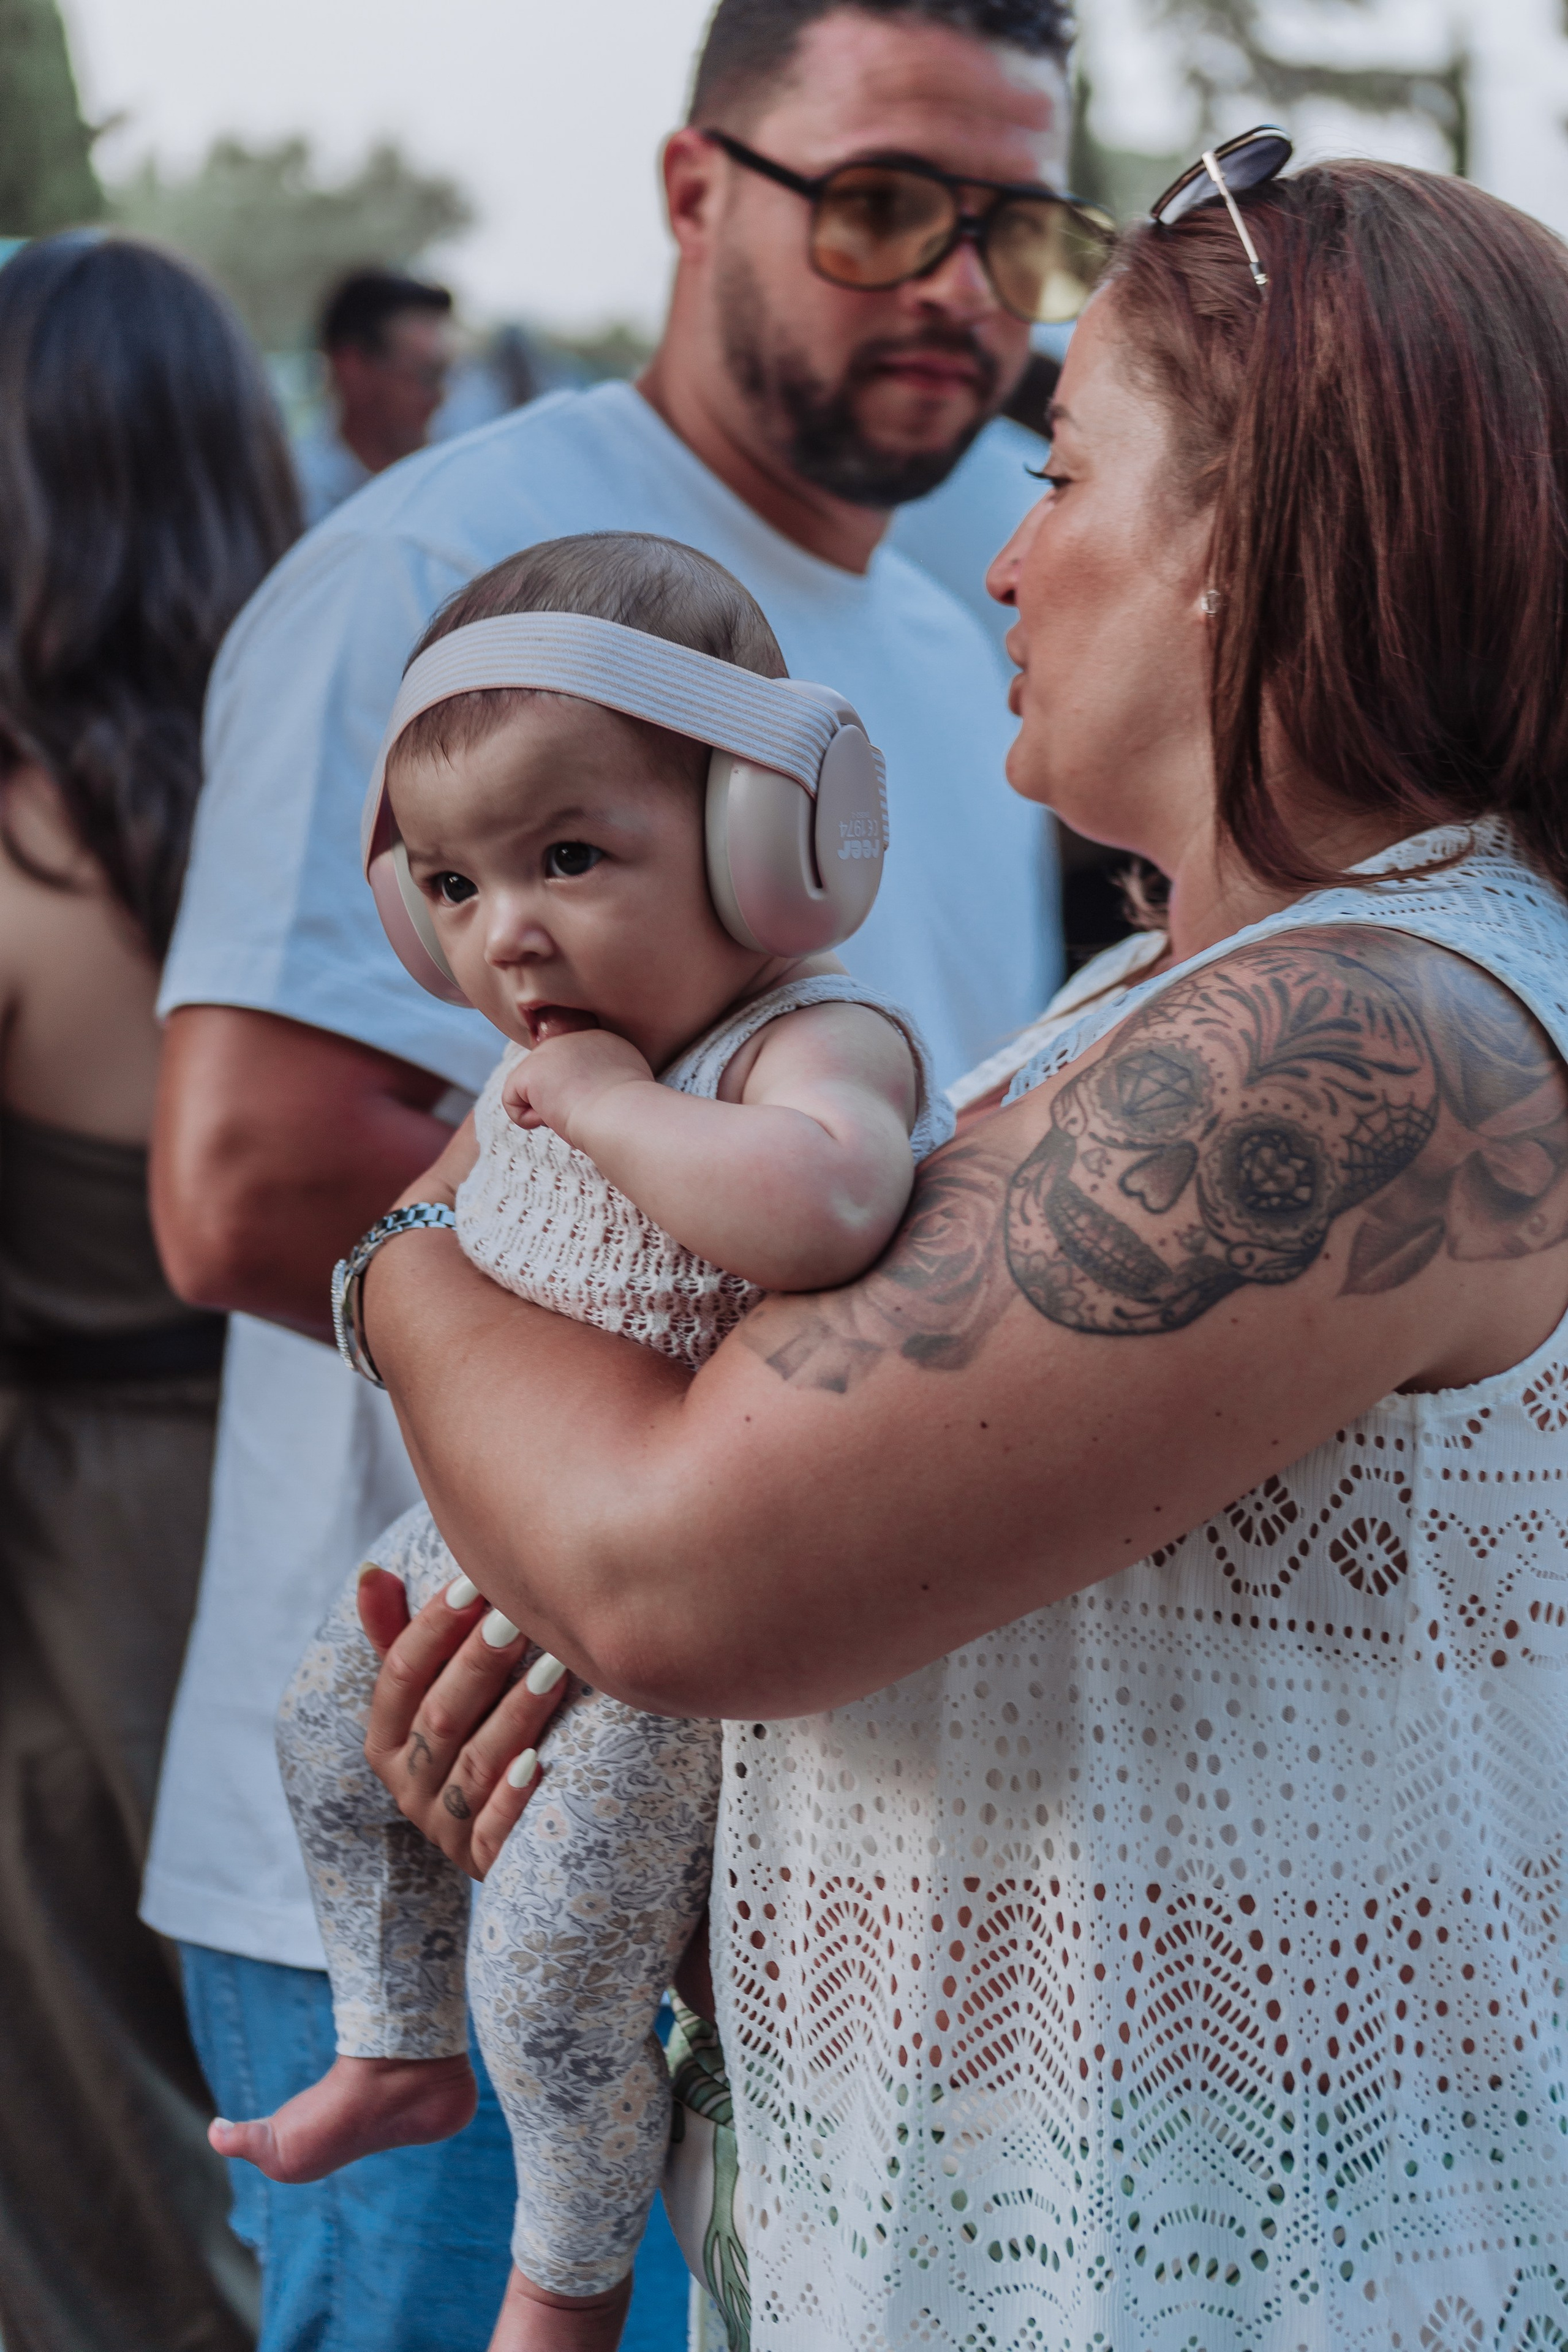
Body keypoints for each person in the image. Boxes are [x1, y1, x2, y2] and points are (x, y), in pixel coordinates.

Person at [349, 154, 1568, 2349]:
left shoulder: (1361, 1044)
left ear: (1244, 538)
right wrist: (596, 1790)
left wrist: (408, 1253)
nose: (1003, 556)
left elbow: (666, 1565)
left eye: (1063, 474)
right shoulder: (1162, 1002)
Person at [147, 2, 1090, 2338]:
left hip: (776, 1847)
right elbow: (250, 1177)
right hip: (447, 1754)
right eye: (882, 202)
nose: (954, 284)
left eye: (1013, 229)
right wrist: (640, 1509)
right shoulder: (440, 570)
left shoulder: (979, 610)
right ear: (693, 192)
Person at [225, 530, 952, 2352]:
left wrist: (616, 1108)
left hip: (656, 1636)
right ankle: (393, 2045)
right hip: (484, 1542)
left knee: (558, 1958)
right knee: (321, 1734)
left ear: (766, 841)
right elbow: (400, 1248)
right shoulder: (537, 1055)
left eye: (569, 857)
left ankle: (564, 2282)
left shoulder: (803, 1043)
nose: (508, 933)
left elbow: (830, 1202)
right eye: (452, 886)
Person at [0, 231, 298, 2352]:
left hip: (76, 1537)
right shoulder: (334, 799)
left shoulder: (21, 837)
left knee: (87, 2115)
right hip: (328, 1491)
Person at [293, 269, 455, 525]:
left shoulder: (454, 482)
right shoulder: (293, 497)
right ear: (352, 368)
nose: (439, 397)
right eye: (425, 376)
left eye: (445, 375)